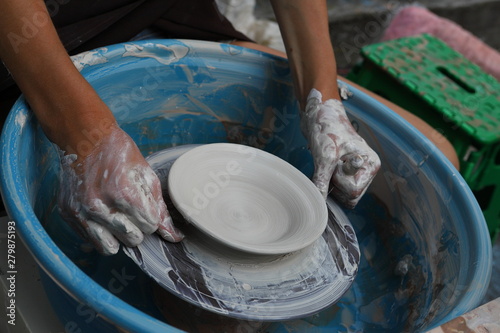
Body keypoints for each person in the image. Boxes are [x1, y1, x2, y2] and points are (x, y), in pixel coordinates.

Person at [0, 0, 457, 255]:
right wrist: (88, 137)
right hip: (31, 43)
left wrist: (324, 102)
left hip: (173, 13)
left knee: (434, 158)